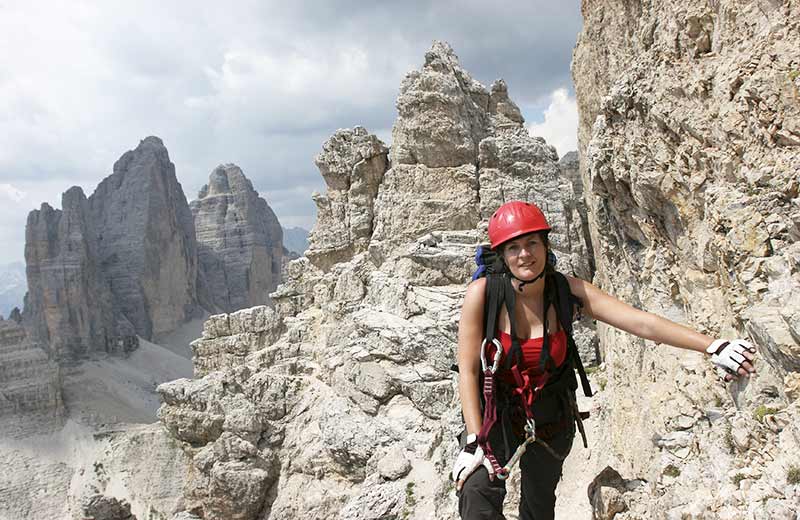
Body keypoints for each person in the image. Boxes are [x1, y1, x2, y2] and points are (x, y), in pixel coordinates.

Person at [452, 200, 757, 520]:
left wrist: (713, 346)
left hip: (551, 415)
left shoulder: (566, 290)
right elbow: (469, 371)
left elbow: (642, 323)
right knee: (475, 494)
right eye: (513, 247)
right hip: (496, 413)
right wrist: (474, 440)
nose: (524, 254)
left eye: (532, 243)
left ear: (545, 244)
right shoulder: (484, 294)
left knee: (539, 507)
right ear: (502, 255)